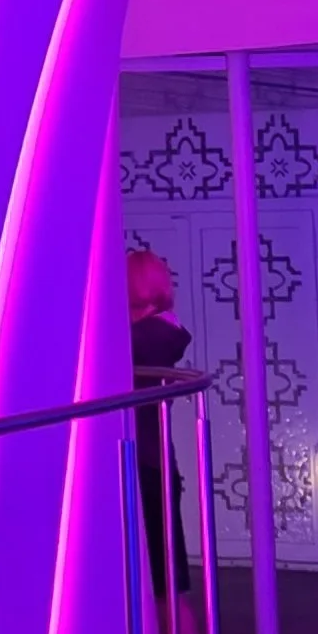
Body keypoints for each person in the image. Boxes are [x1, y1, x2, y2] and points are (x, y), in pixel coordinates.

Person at [127, 243, 192, 609]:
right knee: (166, 577)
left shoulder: (146, 337)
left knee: (166, 581)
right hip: (152, 459)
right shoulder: (163, 331)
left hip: (144, 461)